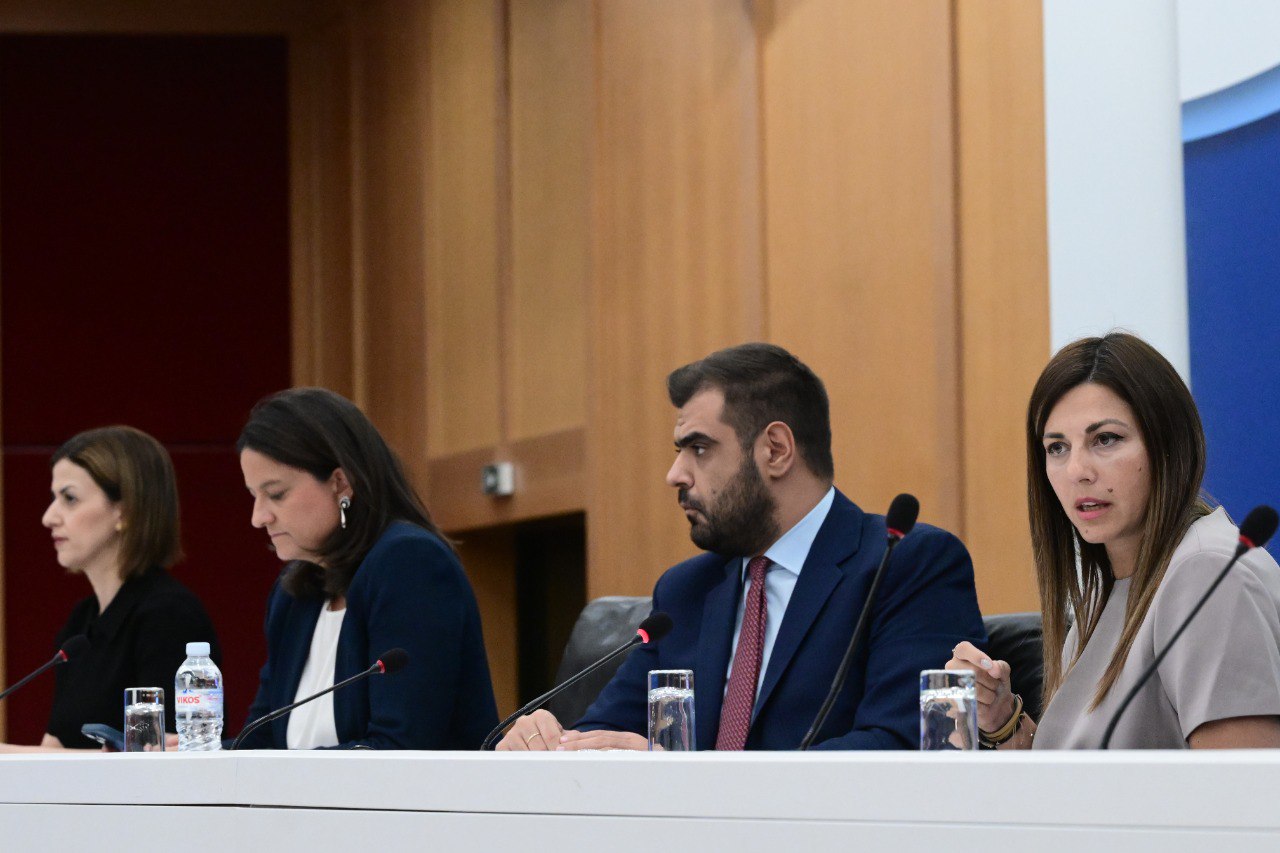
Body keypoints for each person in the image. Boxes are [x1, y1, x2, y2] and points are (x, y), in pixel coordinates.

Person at [498, 343, 985, 751]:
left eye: (700, 448)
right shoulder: (685, 592)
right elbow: (605, 733)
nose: (675, 474)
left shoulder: (905, 564)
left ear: (775, 450)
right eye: (679, 451)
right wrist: (551, 743)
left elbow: (903, 746)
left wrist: (690, 780)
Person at [948, 332, 1280, 749]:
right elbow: (1081, 776)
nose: (1077, 471)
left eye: (1105, 439)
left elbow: (1239, 785)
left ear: (1168, 444)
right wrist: (1003, 720)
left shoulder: (1208, 575)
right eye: (1057, 447)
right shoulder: (1109, 587)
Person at [234, 387, 498, 749]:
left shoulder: (410, 564)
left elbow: (401, 748)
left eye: (276, 494)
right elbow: (258, 741)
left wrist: (285, 772)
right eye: (254, 496)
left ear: (340, 483)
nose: (258, 517)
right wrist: (188, 756)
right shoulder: (295, 593)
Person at [0, 426, 220, 753]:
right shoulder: (81, 623)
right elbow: (52, 750)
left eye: (69, 498)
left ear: (125, 510)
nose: (48, 517)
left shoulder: (168, 616)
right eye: (53, 498)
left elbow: (160, 755)